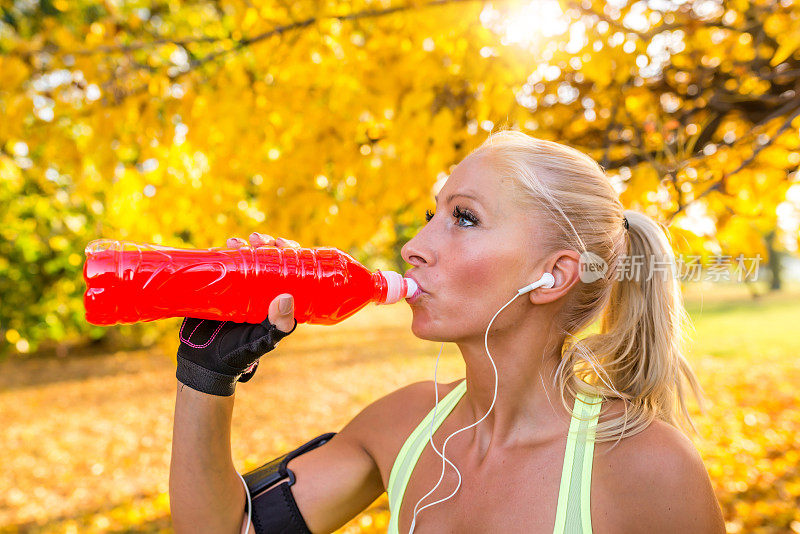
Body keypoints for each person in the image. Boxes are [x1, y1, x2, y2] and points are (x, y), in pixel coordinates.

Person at [169, 129, 726, 534]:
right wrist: (204, 376)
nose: (414, 247)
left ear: (552, 275)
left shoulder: (648, 466)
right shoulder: (400, 426)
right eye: (432, 215)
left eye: (463, 218)